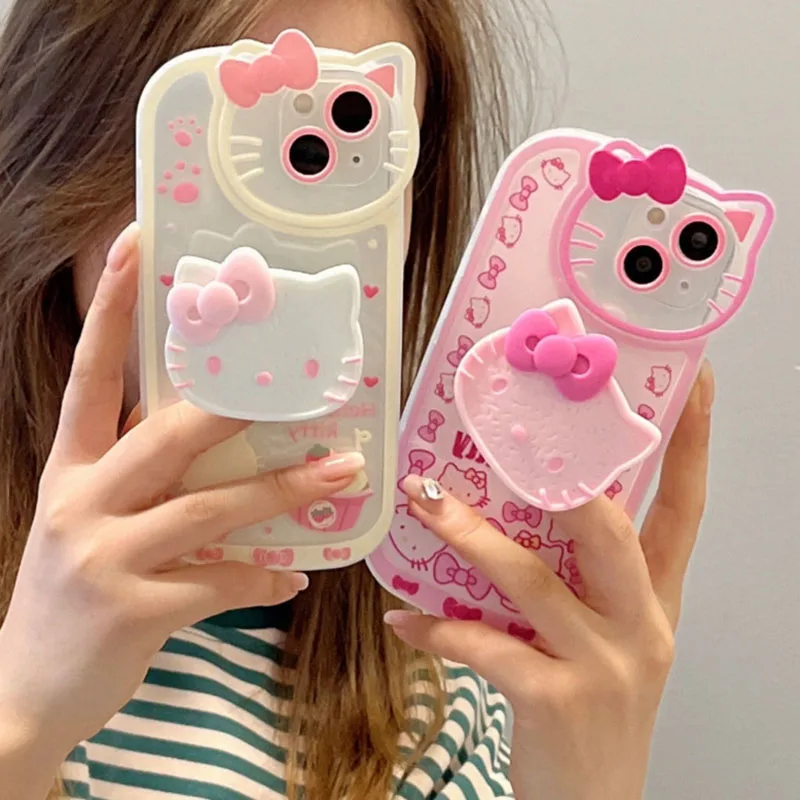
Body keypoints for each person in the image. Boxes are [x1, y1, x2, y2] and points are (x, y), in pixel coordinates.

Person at [0, 1, 716, 798]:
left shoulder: (443, 693)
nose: (272, 254)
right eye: (206, 144)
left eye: (347, 150)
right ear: (62, 161)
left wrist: (591, 783)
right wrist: (19, 725)